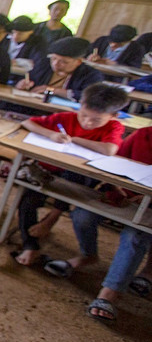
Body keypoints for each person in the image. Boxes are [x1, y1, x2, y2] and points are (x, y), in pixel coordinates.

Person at [37, 126, 152, 323]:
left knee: (135, 235)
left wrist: (145, 196)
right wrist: (117, 187)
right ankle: (87, 255)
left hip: (149, 208)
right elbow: (117, 163)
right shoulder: (144, 134)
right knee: (82, 215)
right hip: (123, 197)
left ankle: (109, 294)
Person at [10, 83, 128, 267]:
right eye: (84, 115)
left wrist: (77, 140)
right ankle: (30, 245)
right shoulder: (66, 117)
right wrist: (51, 135)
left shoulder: (114, 127)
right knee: (27, 200)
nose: (87, 122)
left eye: (96, 120)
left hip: (81, 179)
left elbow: (110, 149)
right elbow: (27, 122)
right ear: (80, 104)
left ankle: (53, 216)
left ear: (114, 116)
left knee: (75, 176)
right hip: (49, 172)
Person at [14, 37, 104, 102]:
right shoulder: (44, 64)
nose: (55, 64)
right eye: (53, 59)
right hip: (33, 104)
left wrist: (53, 90)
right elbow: (28, 80)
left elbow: (90, 96)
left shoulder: (90, 74)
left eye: (64, 62)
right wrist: (22, 84)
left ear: (79, 62)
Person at [4, 15, 47, 81]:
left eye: (20, 34)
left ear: (30, 32)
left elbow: (34, 63)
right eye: (14, 32)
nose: (15, 36)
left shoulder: (37, 43)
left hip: (20, 79)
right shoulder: (5, 39)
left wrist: (17, 62)